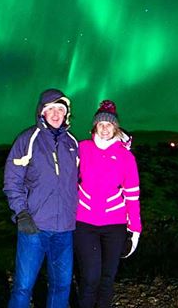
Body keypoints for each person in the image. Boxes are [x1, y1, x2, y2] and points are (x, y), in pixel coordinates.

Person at [3, 88, 80, 308]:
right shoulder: (27, 139)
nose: (56, 114)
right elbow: (12, 180)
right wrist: (22, 213)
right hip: (34, 227)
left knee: (62, 286)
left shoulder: (72, 143)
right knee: (23, 287)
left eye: (60, 109)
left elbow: (85, 177)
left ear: (66, 113)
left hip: (64, 229)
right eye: (50, 109)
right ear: (41, 112)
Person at [73, 99, 142, 308]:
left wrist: (135, 229)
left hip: (115, 225)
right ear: (94, 127)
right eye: (101, 124)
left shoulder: (126, 157)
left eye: (109, 124)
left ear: (116, 127)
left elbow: (132, 195)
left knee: (107, 279)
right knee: (90, 277)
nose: (104, 128)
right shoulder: (82, 148)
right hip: (85, 223)